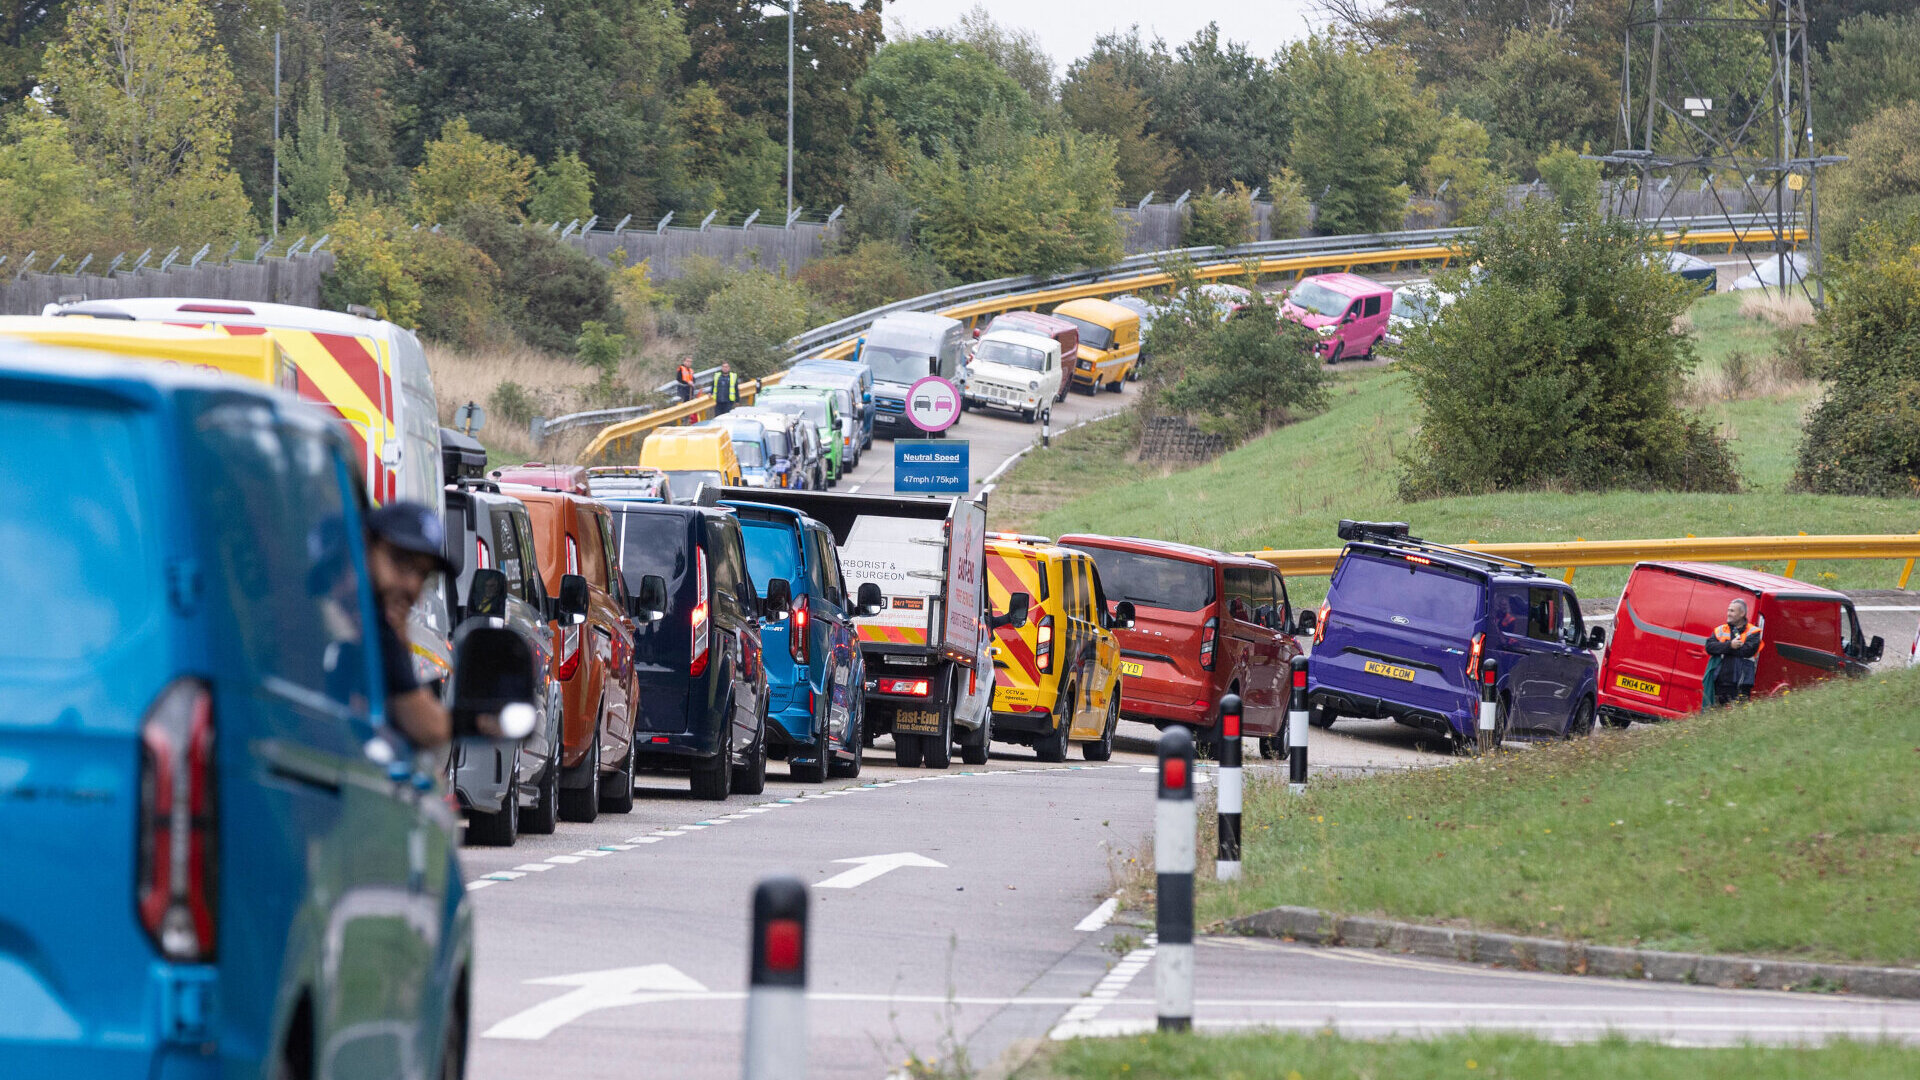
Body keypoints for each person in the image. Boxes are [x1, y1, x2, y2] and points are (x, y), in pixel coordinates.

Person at [365, 502, 455, 747]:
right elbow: (429, 727)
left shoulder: (381, 636)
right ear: (364, 549)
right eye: (402, 562)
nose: (412, 588)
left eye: (423, 575)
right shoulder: (372, 636)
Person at [1703, 599, 1762, 706]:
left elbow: (1747, 651)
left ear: (1742, 613)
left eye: (1732, 611)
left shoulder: (1753, 632)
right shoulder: (1720, 629)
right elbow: (1709, 647)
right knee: (1714, 716)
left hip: (1742, 683)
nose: (1728, 613)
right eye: (1728, 610)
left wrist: (1723, 647)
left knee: (1738, 718)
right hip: (1720, 683)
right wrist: (1730, 645)